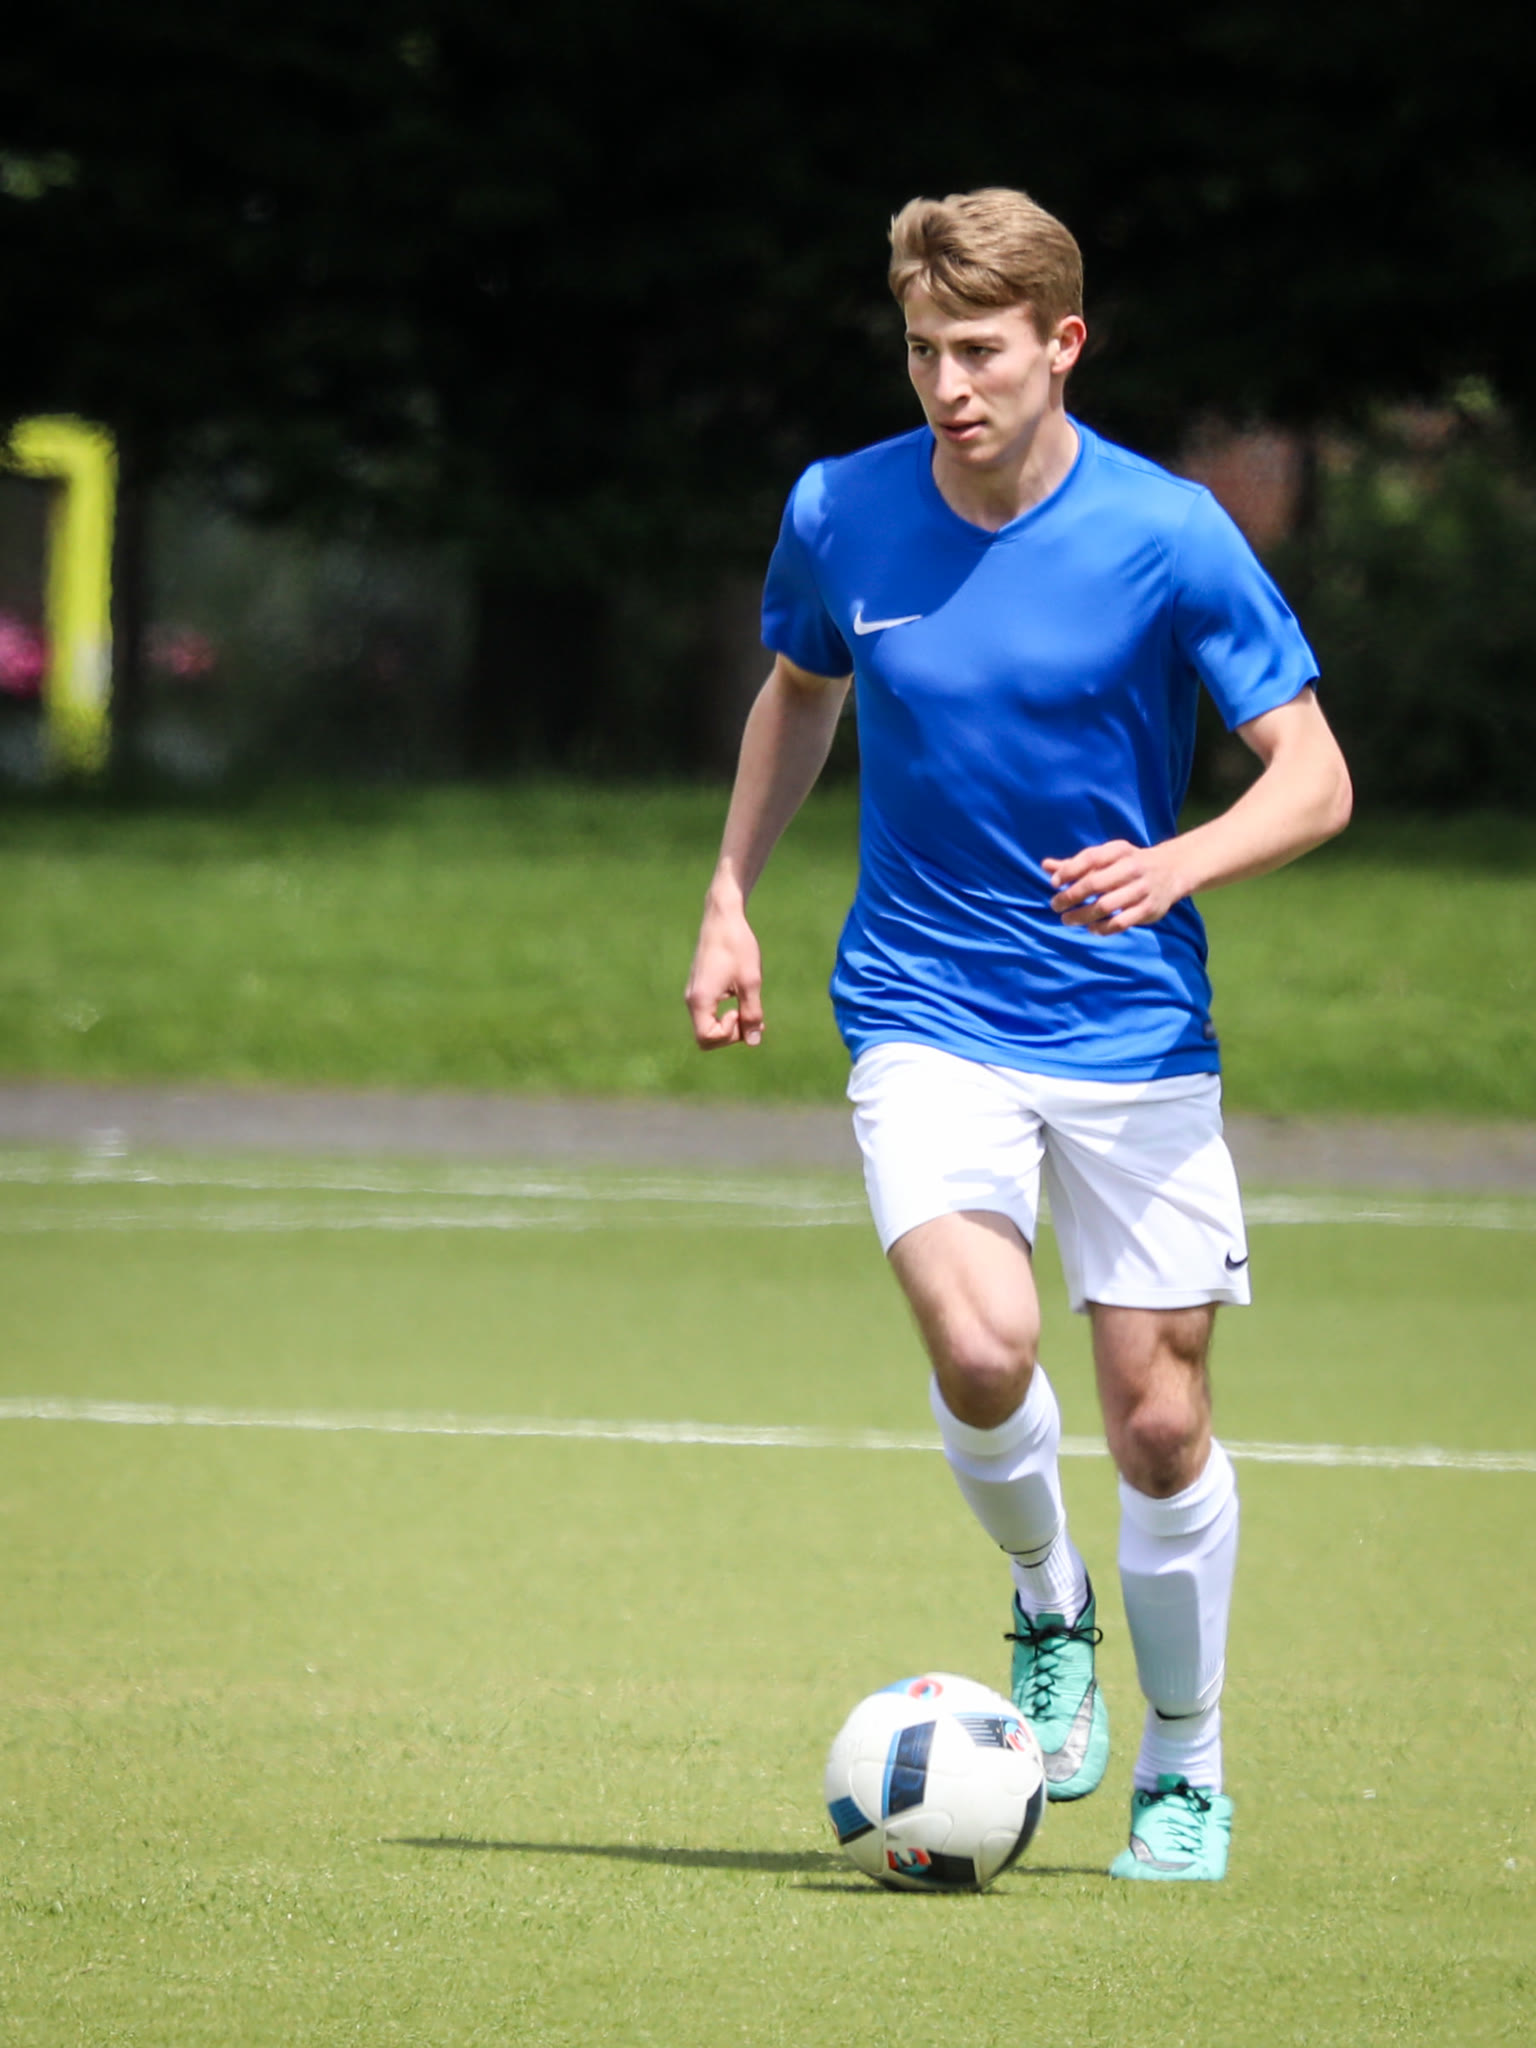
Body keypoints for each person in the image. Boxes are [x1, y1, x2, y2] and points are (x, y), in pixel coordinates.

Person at [685, 187, 1351, 1882]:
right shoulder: (841, 511)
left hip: (1133, 1029)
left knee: (1160, 1425)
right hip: (924, 1005)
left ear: (1064, 343)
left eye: (978, 350)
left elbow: (1316, 777)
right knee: (983, 1349)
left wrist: (1179, 864)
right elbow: (801, 691)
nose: (946, 385)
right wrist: (730, 896)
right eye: (922, 350)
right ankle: (1050, 1600)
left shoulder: (1169, 534)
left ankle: (1185, 1763)